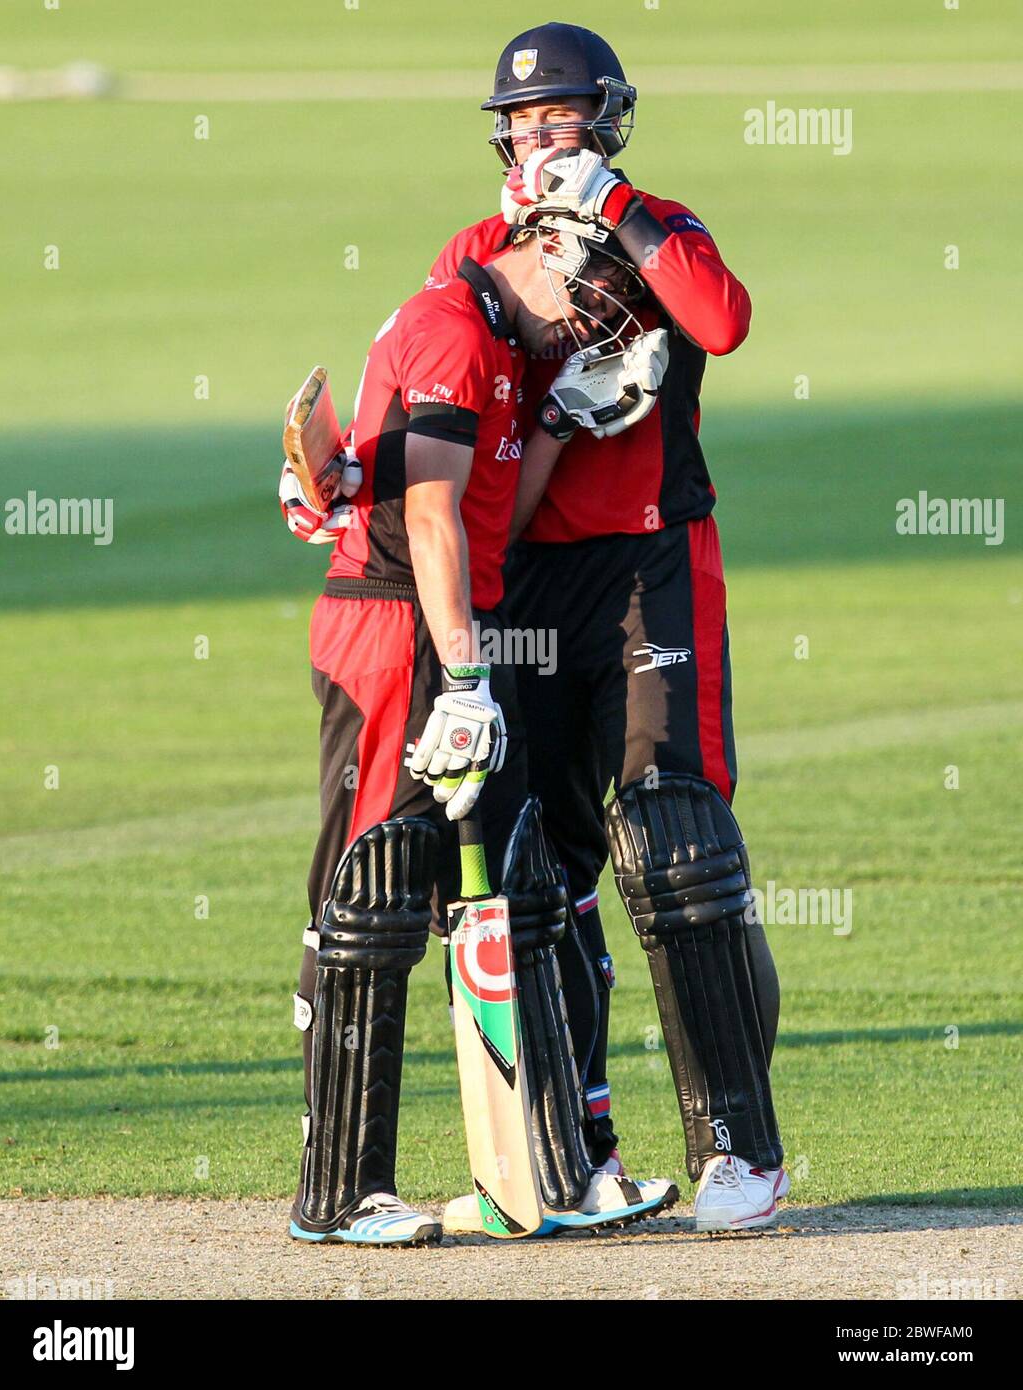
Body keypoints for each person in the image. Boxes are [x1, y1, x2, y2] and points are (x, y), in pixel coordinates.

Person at [425, 22, 787, 1233]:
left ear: (606, 121)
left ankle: (739, 1143)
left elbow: (722, 321)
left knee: (674, 842)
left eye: (561, 119)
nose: (538, 138)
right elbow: (436, 398)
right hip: (525, 583)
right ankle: (569, 1149)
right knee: (538, 861)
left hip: (648, 559)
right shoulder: (478, 251)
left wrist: (612, 204)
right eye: (523, 123)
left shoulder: (663, 223)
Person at [282, 215, 677, 1246]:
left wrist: (555, 422)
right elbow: (428, 518)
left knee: (519, 884)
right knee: (372, 893)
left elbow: (492, 522)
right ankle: (336, 1193)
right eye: (588, 291)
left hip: (456, 628)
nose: (592, 318)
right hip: (396, 629)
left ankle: (551, 1171)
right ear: (542, 250)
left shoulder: (507, 350)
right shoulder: (453, 330)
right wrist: (463, 673)